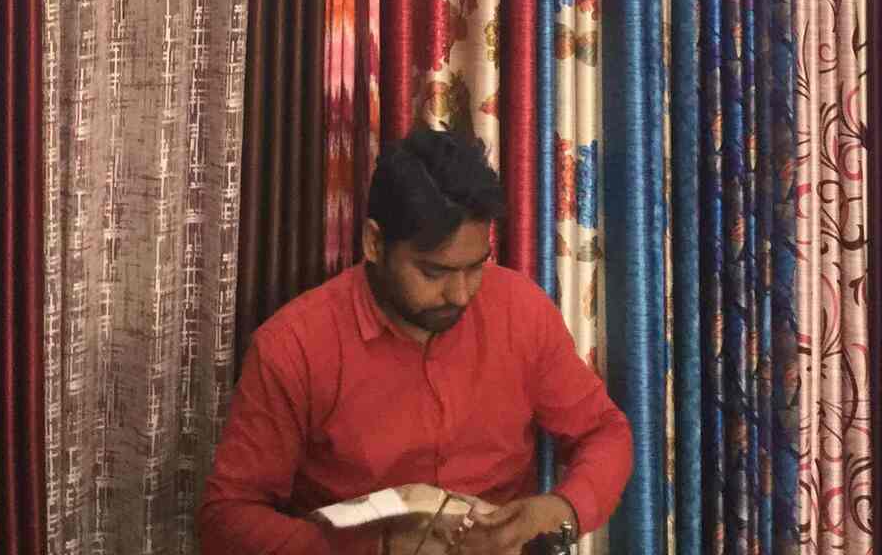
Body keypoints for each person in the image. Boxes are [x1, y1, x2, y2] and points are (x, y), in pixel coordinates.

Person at [199, 129, 632, 555]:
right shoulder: (293, 347)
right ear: (374, 242)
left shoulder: (521, 311)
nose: (460, 294)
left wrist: (559, 510)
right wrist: (373, 548)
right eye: (434, 272)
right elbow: (227, 519)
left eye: (475, 267)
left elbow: (604, 433)